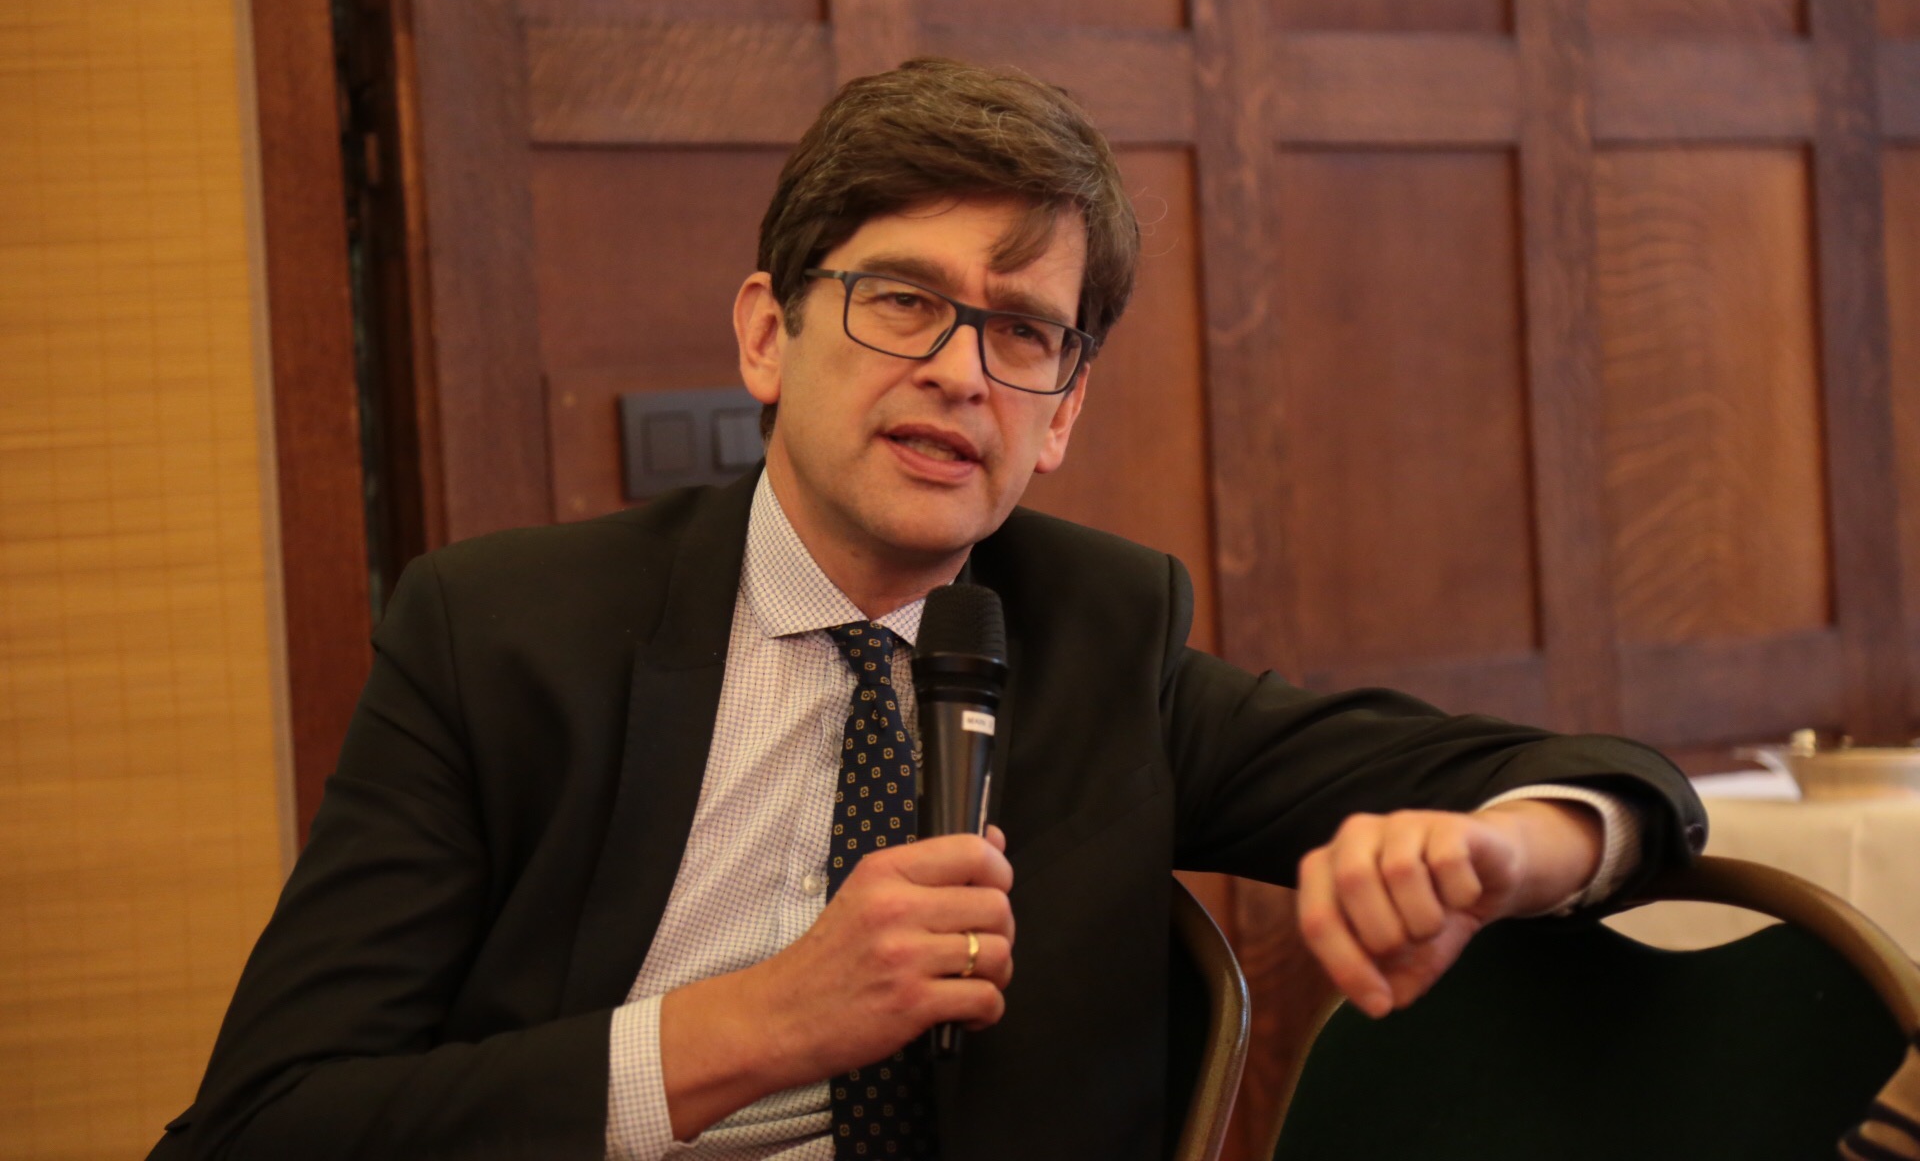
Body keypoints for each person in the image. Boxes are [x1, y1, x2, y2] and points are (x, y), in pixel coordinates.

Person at [152, 58, 1705, 1161]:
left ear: (1062, 413)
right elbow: (266, 1124)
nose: (961, 371)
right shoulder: (500, 638)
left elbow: (1611, 785)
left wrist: (1506, 855)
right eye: (903, 301)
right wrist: (758, 1025)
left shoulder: (1103, 638)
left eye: (1022, 333)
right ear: (769, 336)